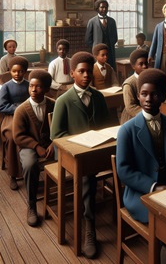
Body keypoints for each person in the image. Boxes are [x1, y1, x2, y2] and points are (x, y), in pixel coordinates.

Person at [116, 68, 166, 263]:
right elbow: (123, 171)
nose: (148, 99)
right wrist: (154, 186)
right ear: (138, 96)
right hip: (141, 195)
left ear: (164, 96)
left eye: (155, 94)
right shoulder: (127, 130)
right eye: (144, 94)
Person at [51, 51, 110, 259]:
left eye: (88, 71)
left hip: (96, 150)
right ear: (73, 74)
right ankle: (89, 227)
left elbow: (107, 126)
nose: (86, 75)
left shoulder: (99, 97)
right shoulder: (63, 101)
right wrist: (79, 144)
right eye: (81, 72)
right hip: (72, 155)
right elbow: (56, 135)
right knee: (87, 177)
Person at [12, 70, 55, 227]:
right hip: (29, 147)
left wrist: (53, 144)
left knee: (70, 158)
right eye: (31, 86)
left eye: (38, 87)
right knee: (30, 165)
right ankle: (32, 205)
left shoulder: (53, 104)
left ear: (46, 89)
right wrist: (36, 146)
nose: (33, 90)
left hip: (52, 145)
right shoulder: (21, 110)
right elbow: (18, 136)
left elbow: (60, 129)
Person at [0, 56, 30, 190]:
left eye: (21, 71)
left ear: (25, 72)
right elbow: (2, 106)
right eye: (14, 71)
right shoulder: (6, 87)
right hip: (10, 118)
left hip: (27, 116)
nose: (17, 74)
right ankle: (13, 175)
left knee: (36, 133)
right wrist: (18, 108)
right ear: (10, 71)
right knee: (13, 137)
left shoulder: (29, 85)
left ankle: (30, 167)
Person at [85, 0, 118, 70]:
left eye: (106, 7)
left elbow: (115, 38)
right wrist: (96, 47)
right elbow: (88, 39)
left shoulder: (112, 21)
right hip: (97, 54)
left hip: (110, 53)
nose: (104, 9)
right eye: (102, 7)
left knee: (110, 71)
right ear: (97, 8)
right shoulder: (92, 21)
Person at [120, 49, 148, 124]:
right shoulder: (129, 84)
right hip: (132, 118)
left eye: (146, 63)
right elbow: (130, 107)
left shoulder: (149, 80)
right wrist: (148, 113)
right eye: (141, 64)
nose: (145, 66)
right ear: (133, 66)